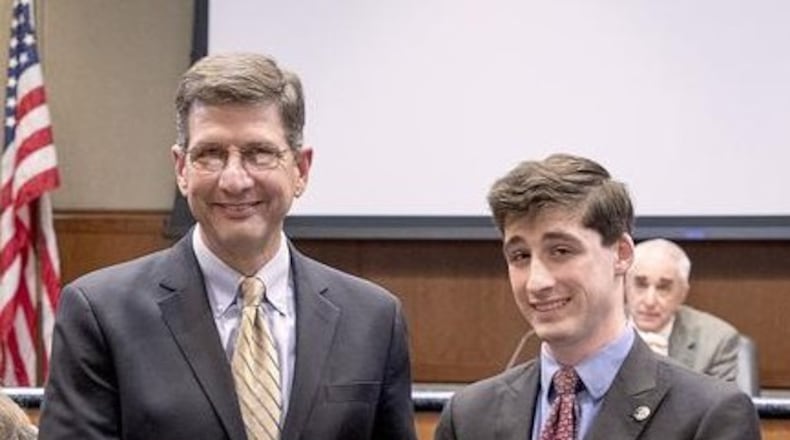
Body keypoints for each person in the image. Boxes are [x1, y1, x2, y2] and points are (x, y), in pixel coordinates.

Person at [39, 53, 417, 440]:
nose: (234, 180)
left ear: (301, 170)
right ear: (181, 169)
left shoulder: (372, 319)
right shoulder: (102, 314)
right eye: (211, 154)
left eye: (259, 154)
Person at [434, 154, 760, 440]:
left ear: (621, 254)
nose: (536, 282)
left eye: (561, 251)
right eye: (520, 256)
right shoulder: (469, 416)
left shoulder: (708, 415)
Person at [626, 238, 740, 381]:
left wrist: (662, 372)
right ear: (624, 285)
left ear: (683, 293)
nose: (650, 301)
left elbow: (720, 396)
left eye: (663, 288)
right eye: (641, 285)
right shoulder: (600, 330)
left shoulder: (717, 340)